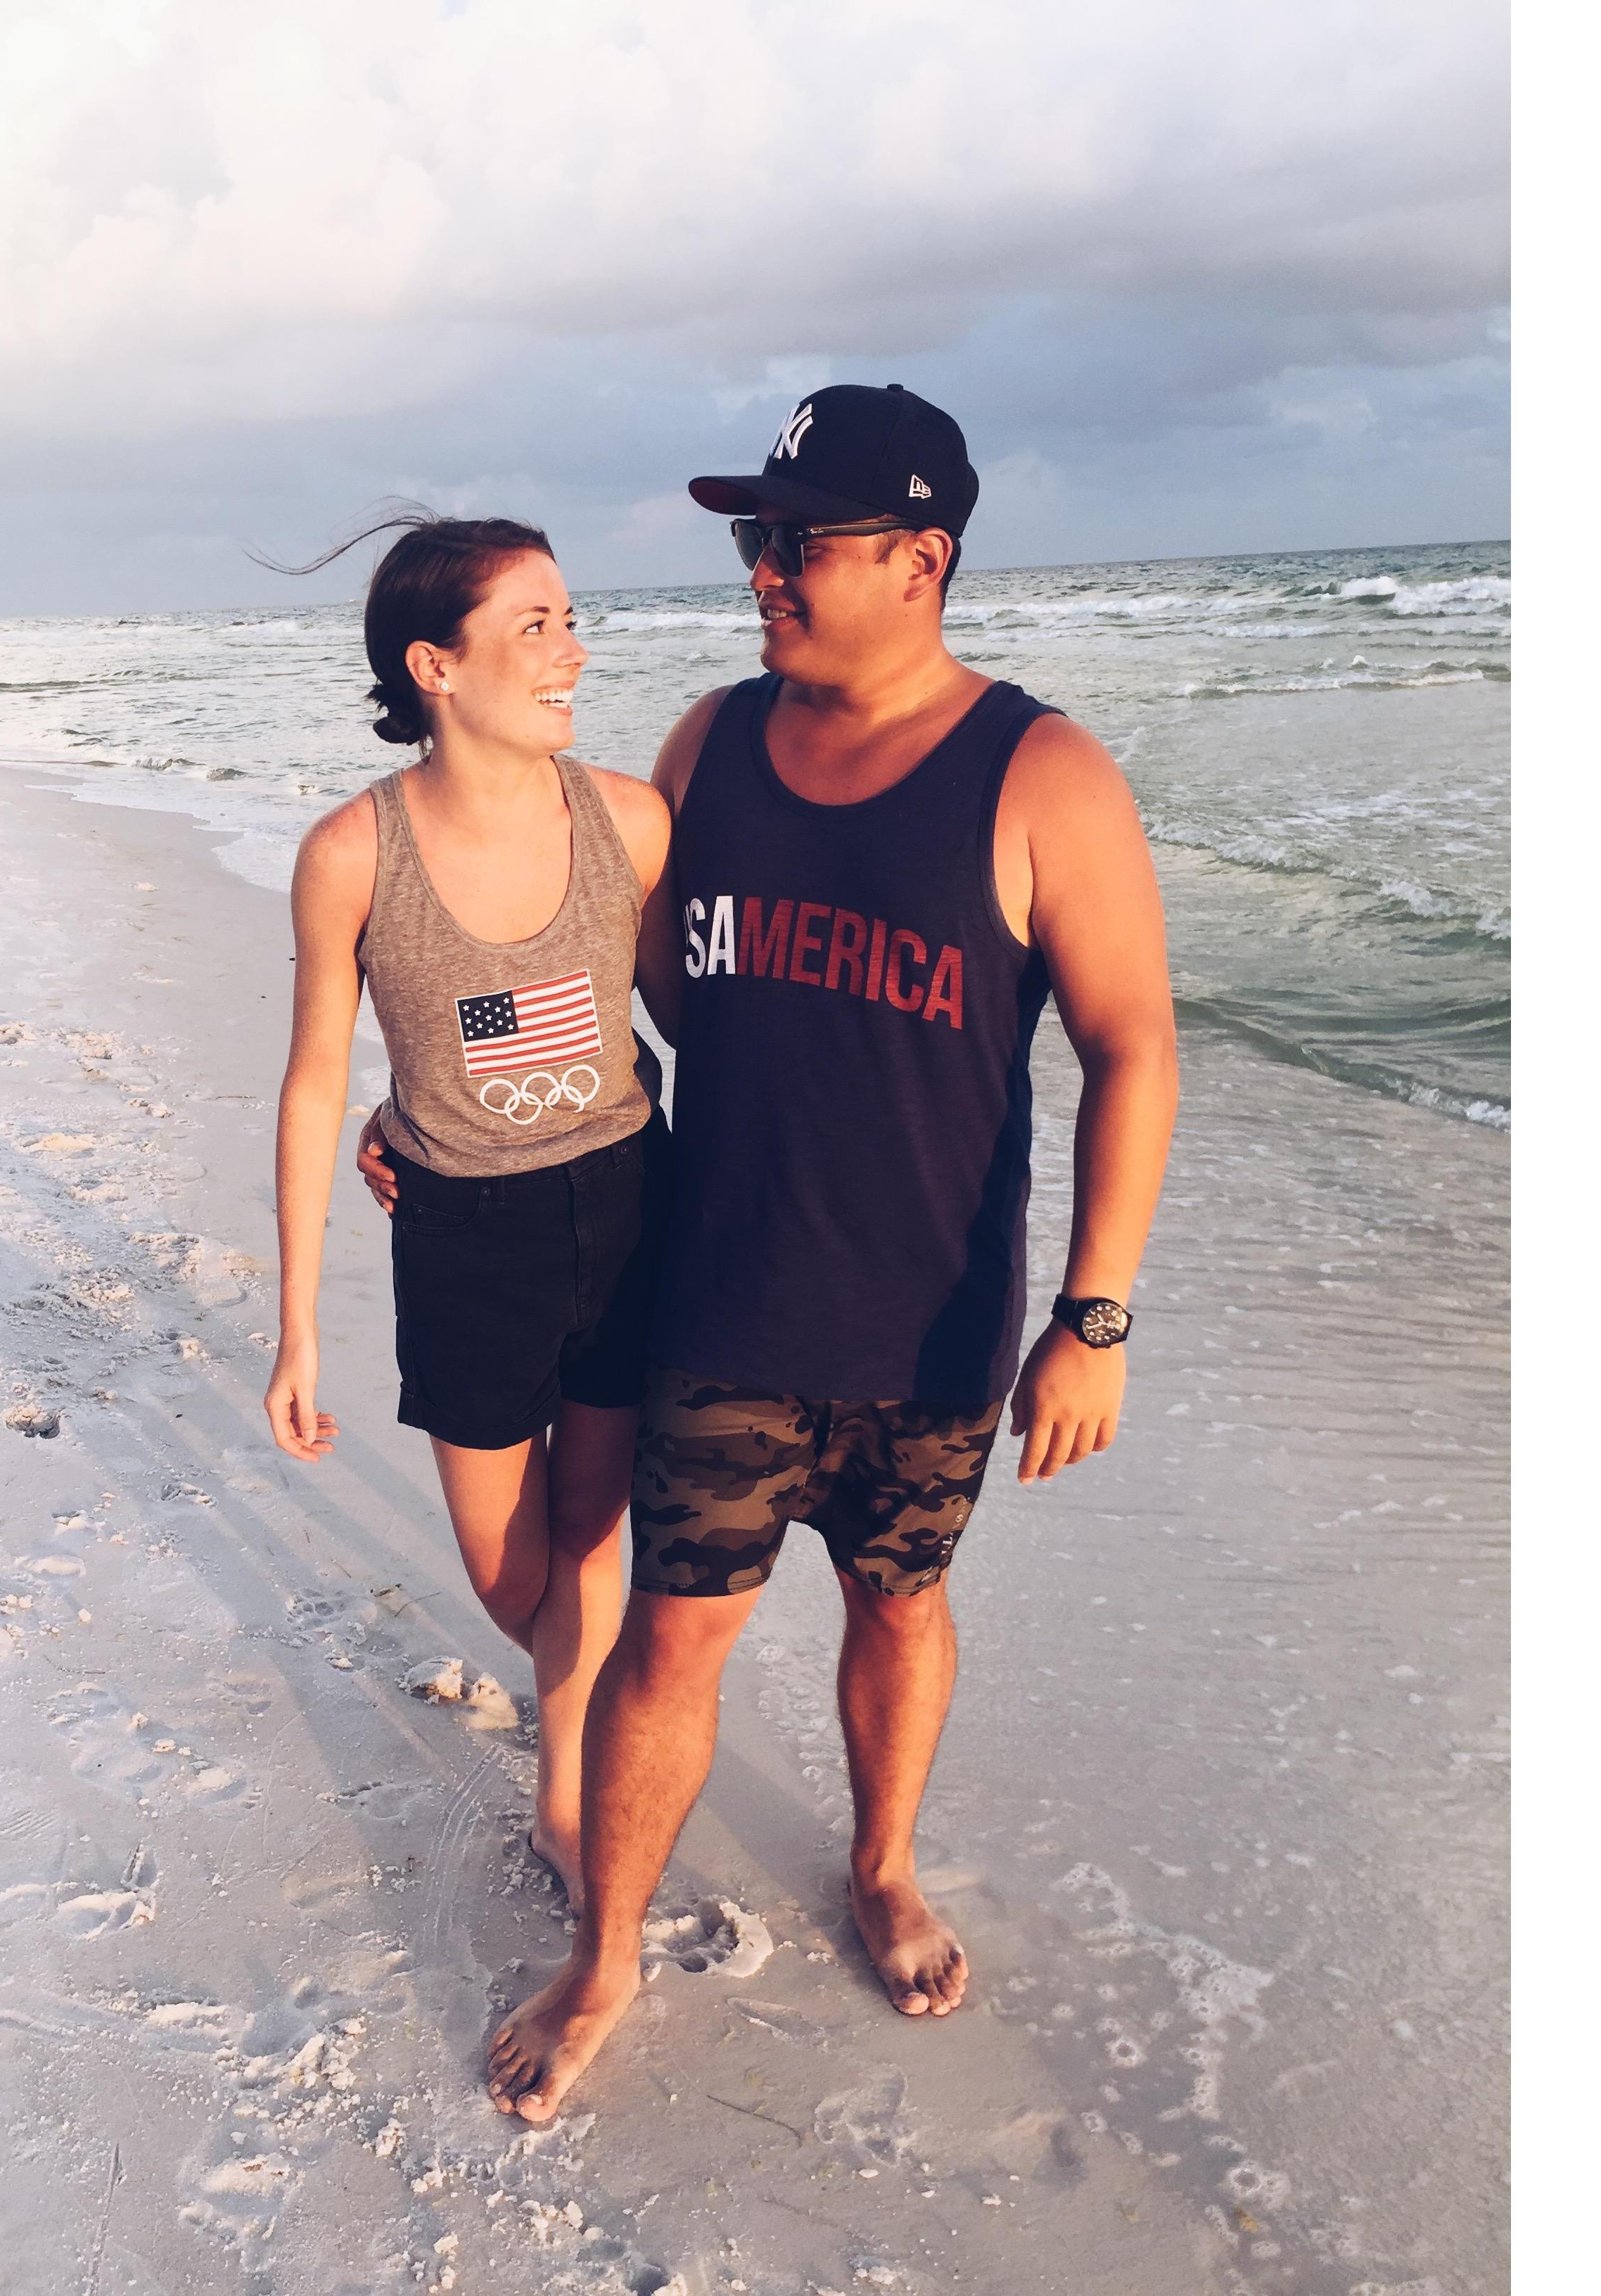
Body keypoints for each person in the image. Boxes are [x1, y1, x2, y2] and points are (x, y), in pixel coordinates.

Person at [443, 385, 1180, 2121]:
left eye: (800, 542)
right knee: (673, 1641)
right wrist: (444, 1115)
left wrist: (1096, 1317)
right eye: (758, 541)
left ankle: (883, 1868)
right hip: (722, 1303)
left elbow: (1134, 1046)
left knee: (899, 1600)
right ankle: (605, 1958)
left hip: (934, 1328)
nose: (763, 570)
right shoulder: (709, 744)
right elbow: (599, 970)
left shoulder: (1042, 775)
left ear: (919, 560)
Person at [262, 515, 677, 1906]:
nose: (573, 651)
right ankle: (579, 1708)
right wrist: (298, 1329)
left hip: (628, 1209)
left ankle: (568, 1796)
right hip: (464, 1240)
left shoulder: (631, 822)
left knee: (595, 1536)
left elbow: (702, 1020)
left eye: (571, 620)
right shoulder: (352, 854)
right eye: (535, 626)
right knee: (514, 1577)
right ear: (435, 666)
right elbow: (316, 1081)